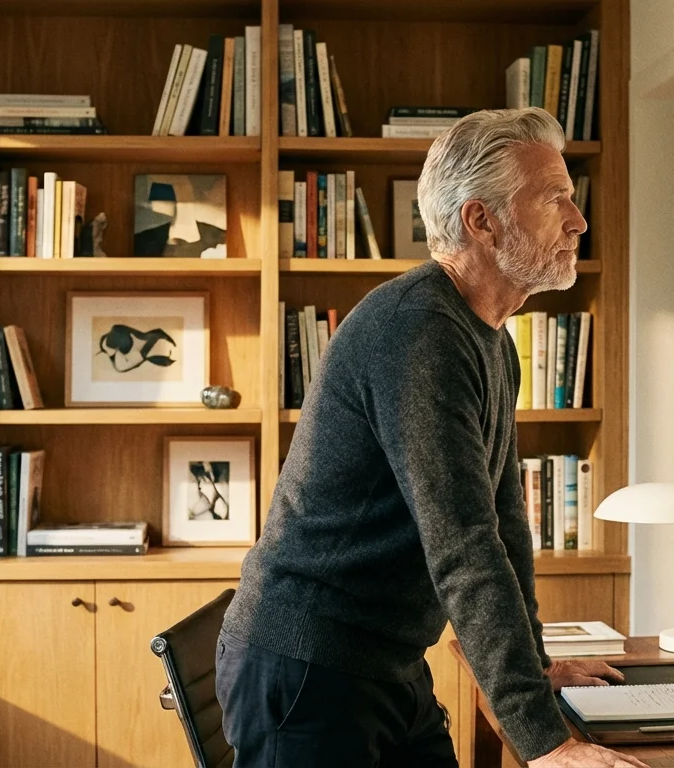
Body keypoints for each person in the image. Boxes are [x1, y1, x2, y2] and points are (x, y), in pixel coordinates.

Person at [216, 108, 649, 768]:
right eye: (553, 197)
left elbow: (503, 527)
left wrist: (534, 674)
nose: (577, 219)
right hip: (310, 668)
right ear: (481, 220)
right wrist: (547, 743)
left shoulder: (491, 342)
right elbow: (463, 543)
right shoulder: (419, 332)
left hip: (383, 660)